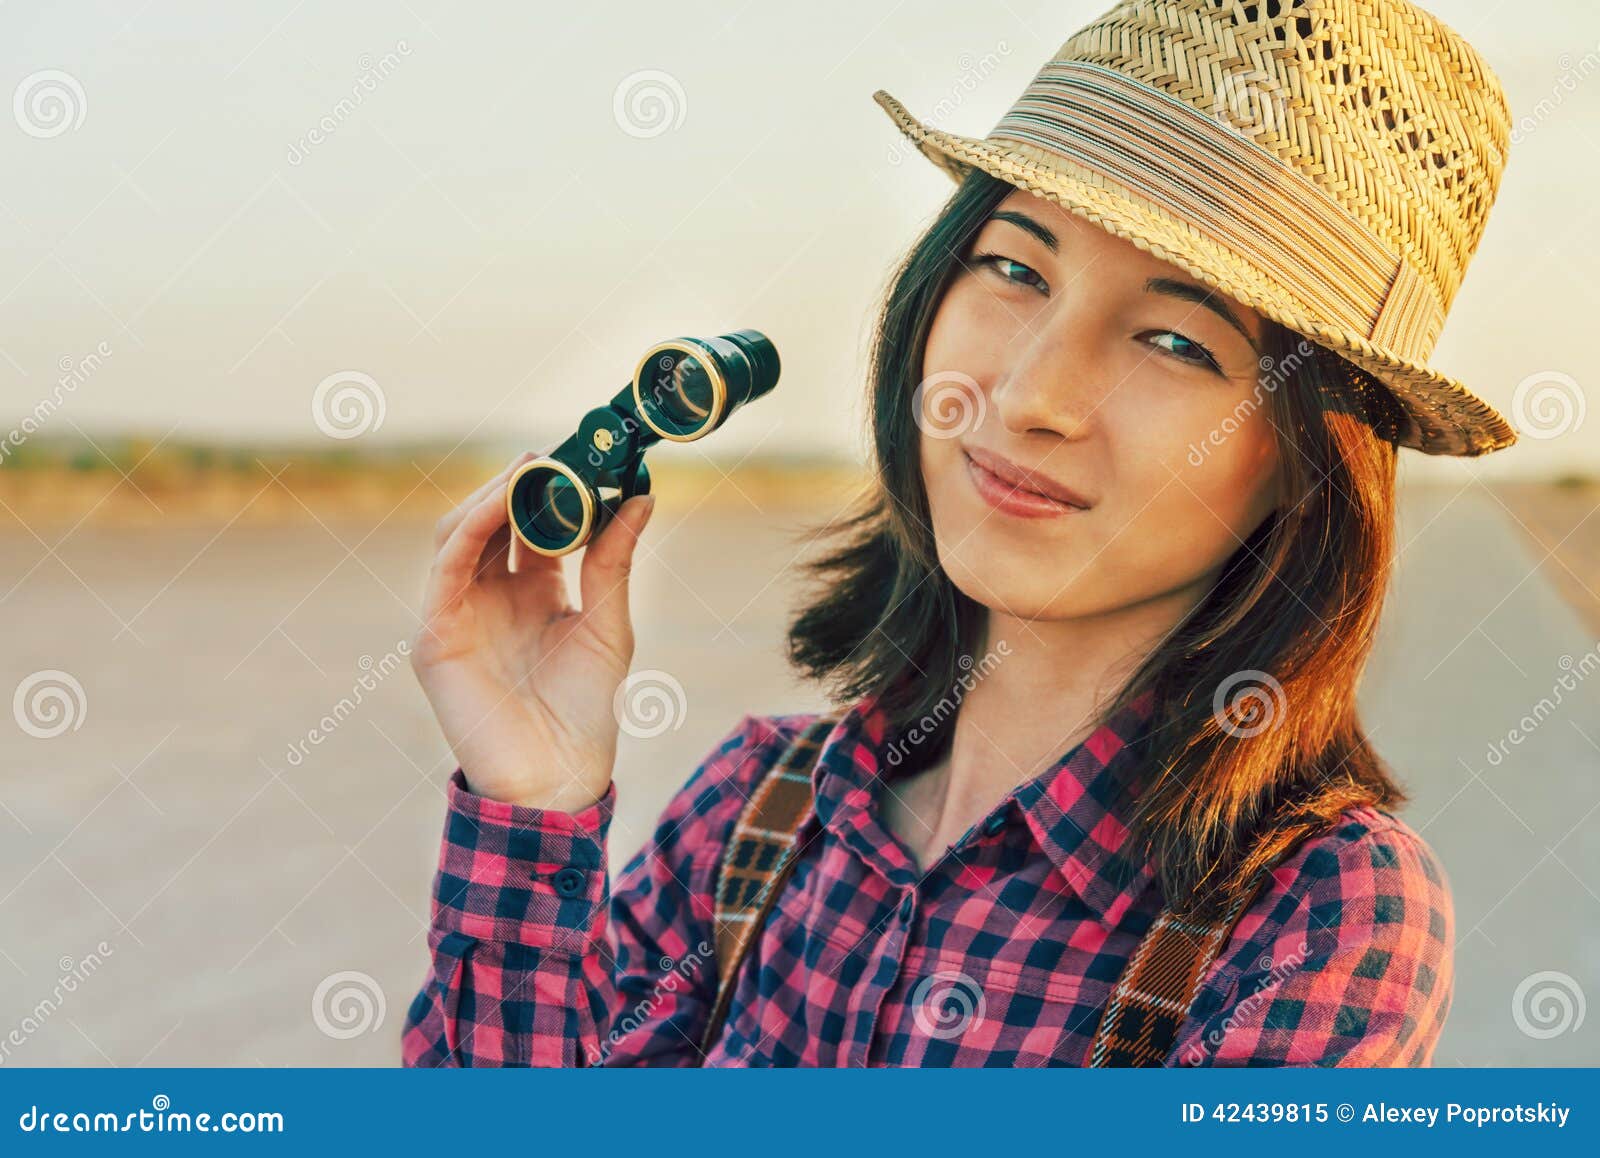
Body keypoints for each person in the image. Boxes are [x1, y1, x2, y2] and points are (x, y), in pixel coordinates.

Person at [402, 0, 1517, 1066]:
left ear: (1307, 464)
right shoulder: (754, 812)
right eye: (1015, 269)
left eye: (1177, 342)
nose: (1033, 392)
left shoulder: (1321, 918)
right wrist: (533, 802)